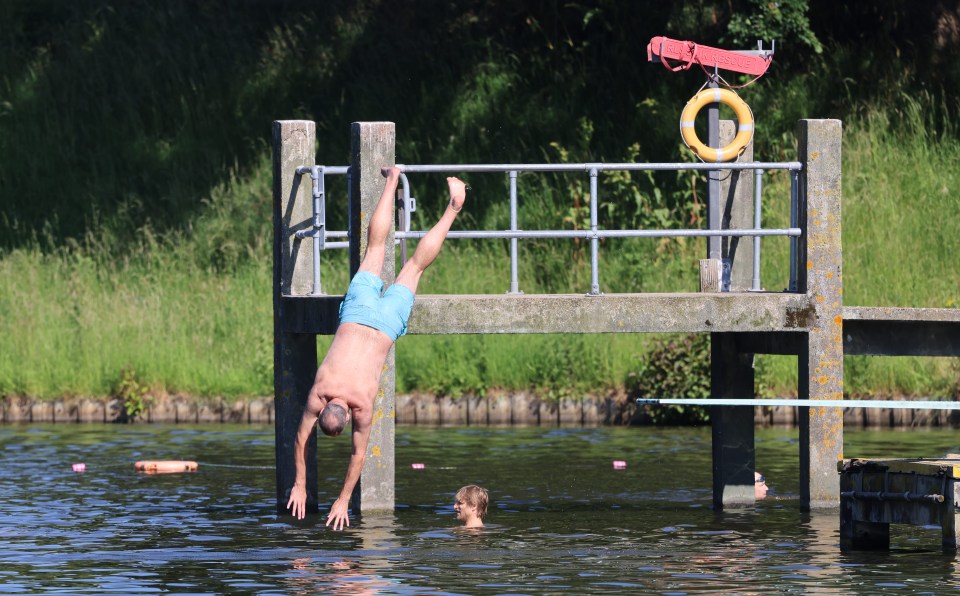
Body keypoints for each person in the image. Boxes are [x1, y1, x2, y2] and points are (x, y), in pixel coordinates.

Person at [286, 166, 467, 529]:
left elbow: (356, 455)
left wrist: (334, 498)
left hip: (384, 325)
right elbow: (301, 439)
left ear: (340, 414)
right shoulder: (320, 392)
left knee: (415, 267)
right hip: (357, 315)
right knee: (376, 248)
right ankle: (391, 179)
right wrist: (302, 483)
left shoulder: (362, 407)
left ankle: (452, 209)